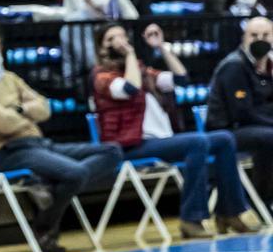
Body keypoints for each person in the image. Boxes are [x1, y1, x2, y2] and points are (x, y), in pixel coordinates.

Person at [0, 21, 122, 252]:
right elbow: (5, 124)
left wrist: (19, 110)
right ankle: (44, 226)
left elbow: (45, 108)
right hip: (8, 151)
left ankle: (55, 189)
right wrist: (22, 109)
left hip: (39, 144)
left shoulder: (9, 77)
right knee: (76, 173)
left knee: (112, 151)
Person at [92, 23, 253, 238]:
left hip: (160, 141)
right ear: (102, 48)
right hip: (130, 145)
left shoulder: (142, 71)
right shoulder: (102, 77)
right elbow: (130, 89)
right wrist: (130, 55)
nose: (120, 42)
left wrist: (161, 48)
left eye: (123, 36)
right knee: (197, 142)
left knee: (224, 139)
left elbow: (181, 78)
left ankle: (229, 212)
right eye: (112, 39)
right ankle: (191, 218)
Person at [206, 16, 273, 202]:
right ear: (244, 38)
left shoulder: (267, 66)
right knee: (269, 138)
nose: (260, 39)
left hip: (254, 126)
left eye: (266, 35)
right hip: (227, 130)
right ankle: (264, 200)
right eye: (254, 35)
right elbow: (242, 112)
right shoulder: (234, 65)